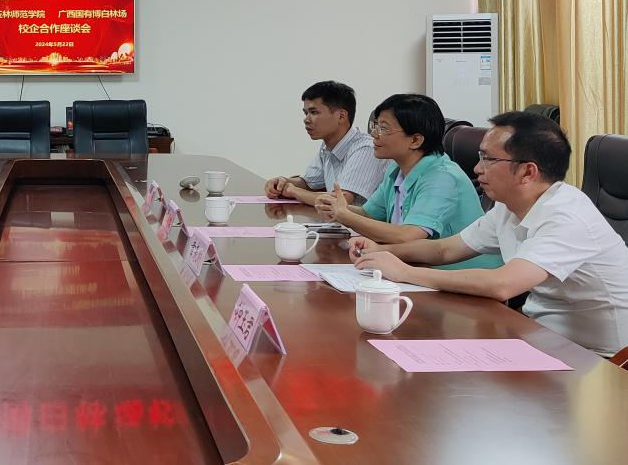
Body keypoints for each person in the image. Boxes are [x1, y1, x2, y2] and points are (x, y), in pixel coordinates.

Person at [351, 112, 628, 356]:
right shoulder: (509, 207)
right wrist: (380, 251)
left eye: (488, 159)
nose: (477, 168)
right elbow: (445, 250)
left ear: (527, 172)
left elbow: (502, 285)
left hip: (601, 358)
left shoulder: (567, 217)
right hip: (541, 336)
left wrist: (404, 272)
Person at [318, 93, 500, 268]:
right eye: (375, 126)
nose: (374, 134)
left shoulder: (442, 177)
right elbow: (369, 215)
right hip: (415, 267)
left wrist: (345, 215)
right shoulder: (396, 169)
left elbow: (408, 236)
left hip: (462, 276)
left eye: (384, 129)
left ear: (415, 140)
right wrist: (336, 207)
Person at [264, 81, 385, 207]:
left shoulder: (366, 149)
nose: (306, 120)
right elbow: (309, 183)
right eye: (306, 113)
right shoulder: (327, 147)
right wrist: (283, 182)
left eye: (314, 112)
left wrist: (293, 191)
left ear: (341, 116)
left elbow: (340, 200)